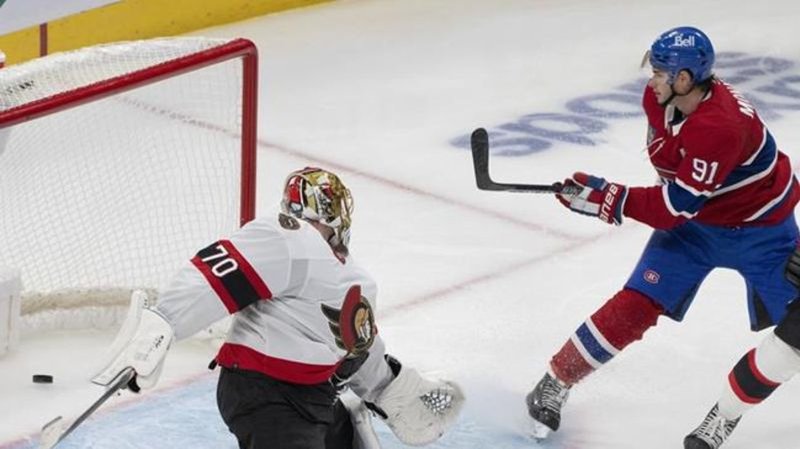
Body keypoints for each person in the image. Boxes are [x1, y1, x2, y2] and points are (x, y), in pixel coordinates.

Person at [525, 26, 800, 449]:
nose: (651, 80)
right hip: (697, 227)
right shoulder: (658, 102)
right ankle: (556, 380)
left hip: (762, 231)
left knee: (798, 330)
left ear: (686, 79)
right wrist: (598, 193)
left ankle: (723, 417)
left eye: (660, 72)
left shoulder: (719, 127)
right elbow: (673, 178)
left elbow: (675, 209)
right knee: (638, 302)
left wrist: (611, 198)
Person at [92, 166, 465, 449]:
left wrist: (394, 390)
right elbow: (217, 275)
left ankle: (345, 421)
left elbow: (355, 348)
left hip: (314, 397)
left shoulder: (353, 279)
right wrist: (161, 327)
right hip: (264, 394)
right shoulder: (287, 235)